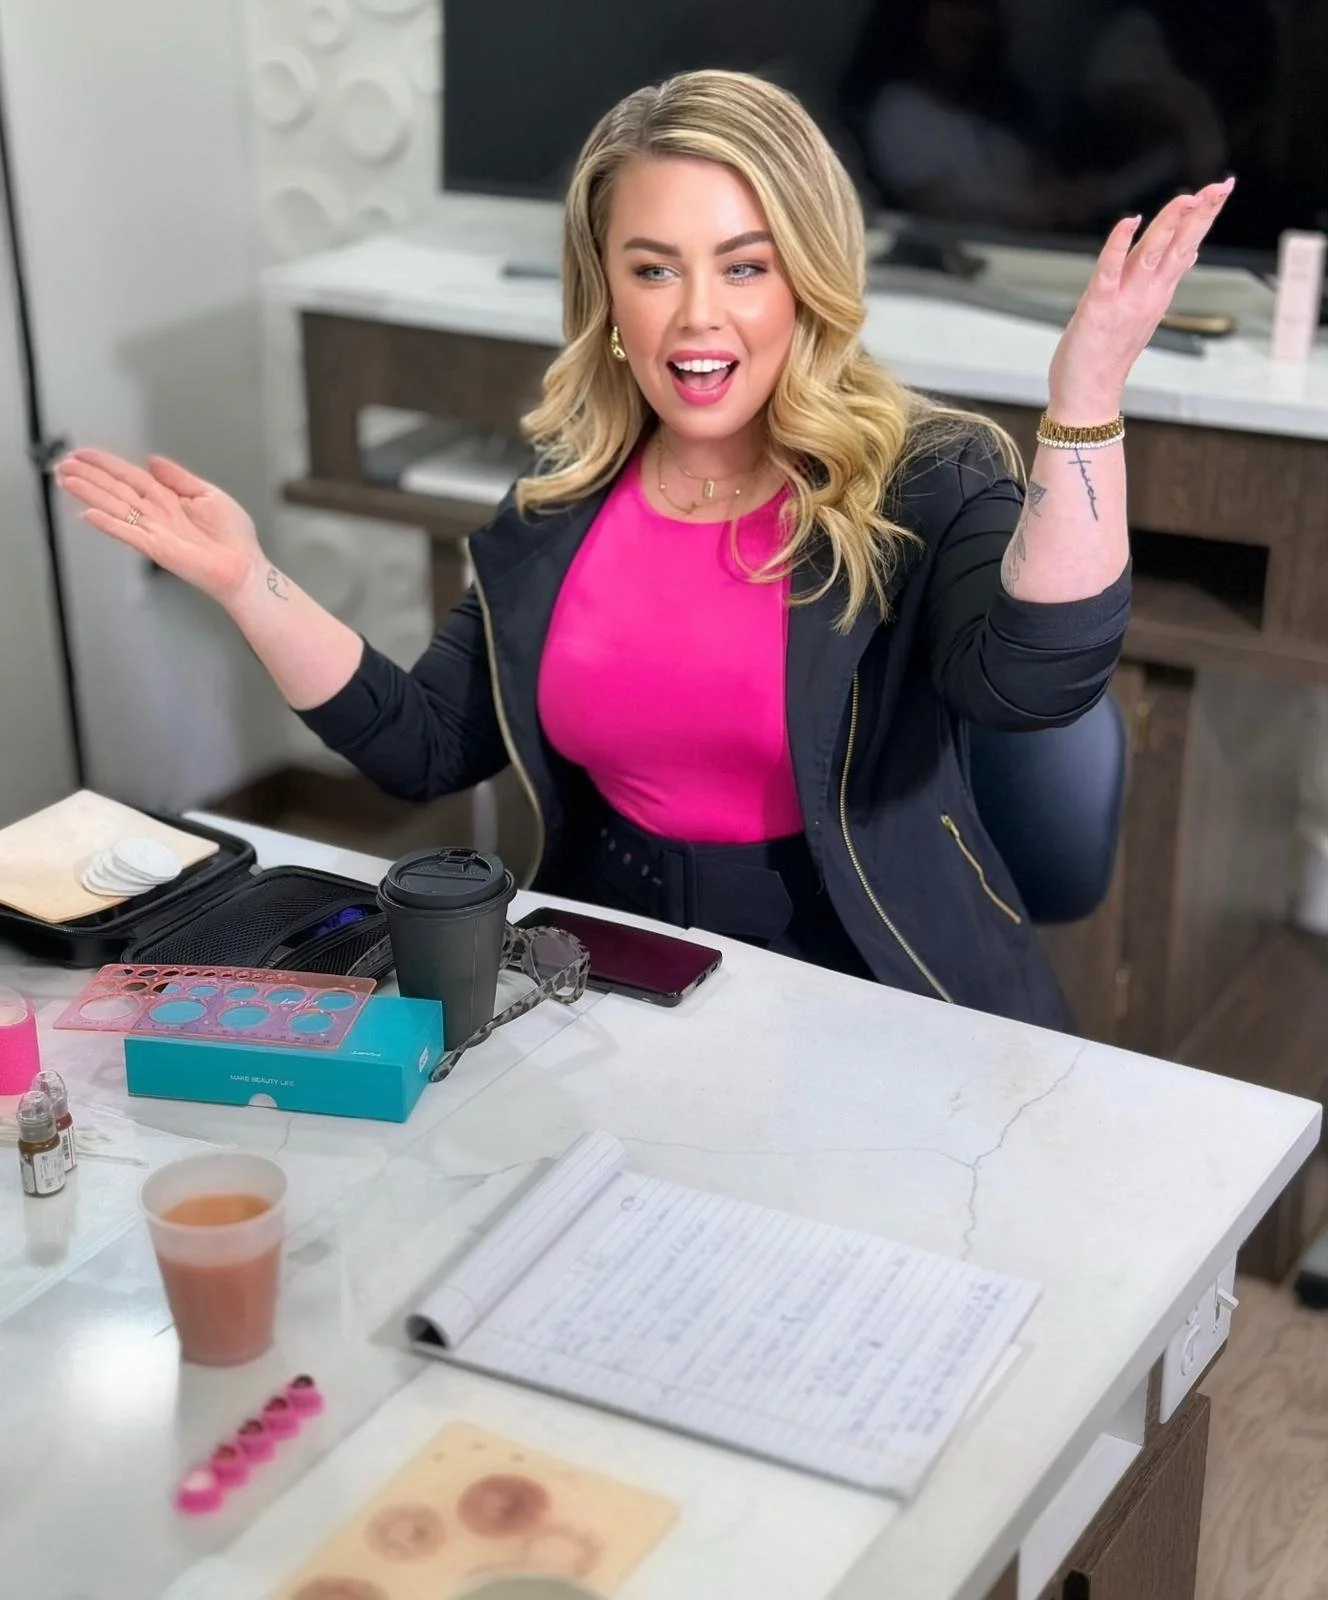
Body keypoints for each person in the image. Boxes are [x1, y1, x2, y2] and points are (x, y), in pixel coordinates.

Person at [55, 70, 1232, 1029]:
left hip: (871, 982)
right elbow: (423, 747)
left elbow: (1038, 677)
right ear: (605, 294)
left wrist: (1082, 404)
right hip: (612, 975)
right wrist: (244, 579)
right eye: (652, 268)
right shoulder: (556, 503)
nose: (696, 316)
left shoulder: (927, 478)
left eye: (743, 265)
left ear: (806, 282)